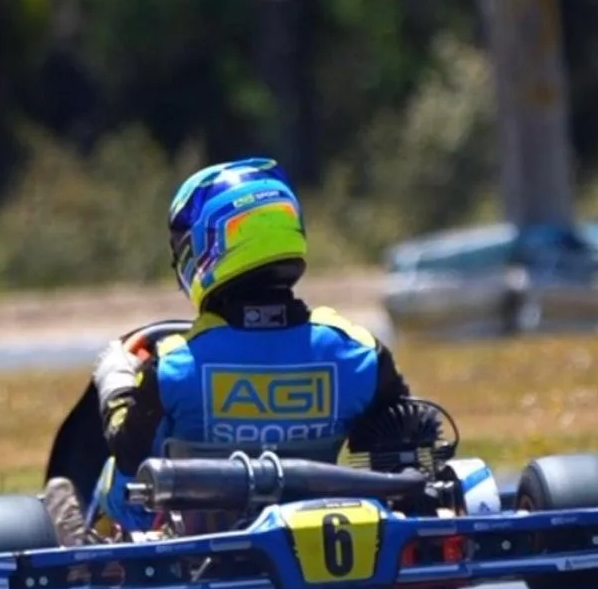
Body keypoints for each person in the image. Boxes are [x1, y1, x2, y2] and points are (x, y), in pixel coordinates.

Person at [41, 156, 412, 542]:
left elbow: (128, 451)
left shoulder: (174, 365)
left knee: (93, 482)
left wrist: (115, 379)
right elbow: (407, 435)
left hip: (186, 540)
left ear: (207, 246)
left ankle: (91, 551)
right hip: (321, 525)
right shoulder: (359, 354)